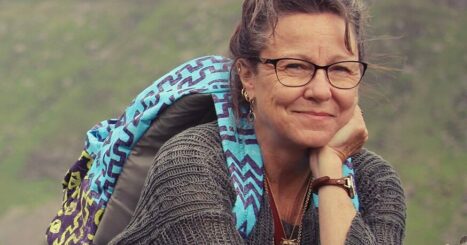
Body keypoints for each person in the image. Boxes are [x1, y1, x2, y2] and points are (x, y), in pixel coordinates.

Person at [50, 0, 406, 244]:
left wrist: (330, 171)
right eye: (294, 67)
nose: (320, 89)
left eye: (340, 69)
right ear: (247, 76)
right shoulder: (193, 165)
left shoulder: (376, 183)